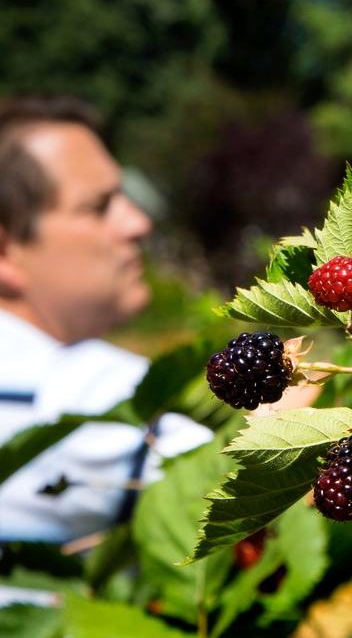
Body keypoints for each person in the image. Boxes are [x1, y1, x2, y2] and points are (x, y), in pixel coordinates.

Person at [0, 95, 211, 548]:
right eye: (98, 206)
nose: (138, 223)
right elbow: (250, 474)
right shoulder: (64, 396)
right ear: (5, 252)